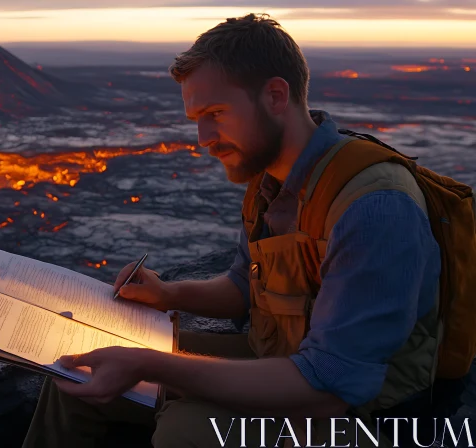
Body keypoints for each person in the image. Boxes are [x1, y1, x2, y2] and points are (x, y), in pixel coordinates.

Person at [22, 13, 442, 448]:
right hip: (282, 361)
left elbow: (330, 386)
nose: (203, 137)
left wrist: (152, 365)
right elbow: (246, 285)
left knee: (186, 433)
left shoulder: (374, 207)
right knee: (76, 369)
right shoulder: (272, 181)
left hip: (361, 414)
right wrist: (168, 294)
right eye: (196, 118)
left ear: (276, 96)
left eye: (216, 113)